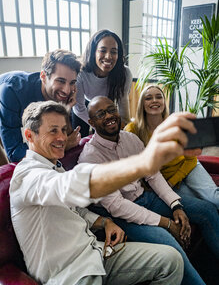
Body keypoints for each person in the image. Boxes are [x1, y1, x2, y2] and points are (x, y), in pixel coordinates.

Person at [9, 100, 189, 285]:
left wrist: (104, 222)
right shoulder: (26, 176)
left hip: (96, 253)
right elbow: (69, 186)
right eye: (53, 130)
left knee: (171, 260)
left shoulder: (55, 168)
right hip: (71, 273)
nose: (62, 138)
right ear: (30, 136)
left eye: (64, 130)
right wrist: (143, 163)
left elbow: (75, 210)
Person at [78, 96, 219, 285]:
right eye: (101, 114)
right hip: (121, 216)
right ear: (91, 122)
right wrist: (167, 224)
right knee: (170, 244)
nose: (109, 116)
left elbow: (153, 175)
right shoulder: (89, 157)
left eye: (111, 110)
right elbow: (117, 206)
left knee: (206, 210)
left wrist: (175, 204)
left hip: (146, 198)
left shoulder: (131, 139)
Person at [125, 85, 219, 209]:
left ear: (164, 102)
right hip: (163, 179)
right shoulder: (132, 130)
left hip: (188, 167)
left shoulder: (175, 124)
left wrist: (172, 181)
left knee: (214, 199)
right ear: (142, 103)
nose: (154, 100)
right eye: (148, 98)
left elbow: (191, 159)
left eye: (159, 97)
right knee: (204, 205)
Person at [0, 49, 82, 162]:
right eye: (61, 81)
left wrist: (66, 110)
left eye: (72, 82)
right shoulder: (12, 91)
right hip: (6, 101)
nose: (67, 91)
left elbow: (70, 138)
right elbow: (14, 153)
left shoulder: (63, 94)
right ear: (43, 77)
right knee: (6, 166)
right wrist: (64, 144)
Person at [72, 29, 132, 137]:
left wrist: (126, 130)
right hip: (84, 106)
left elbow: (122, 102)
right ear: (93, 52)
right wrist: (100, 127)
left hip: (107, 106)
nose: (108, 56)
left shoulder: (125, 73)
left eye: (113, 52)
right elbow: (79, 108)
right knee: (80, 139)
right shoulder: (81, 72)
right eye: (103, 50)